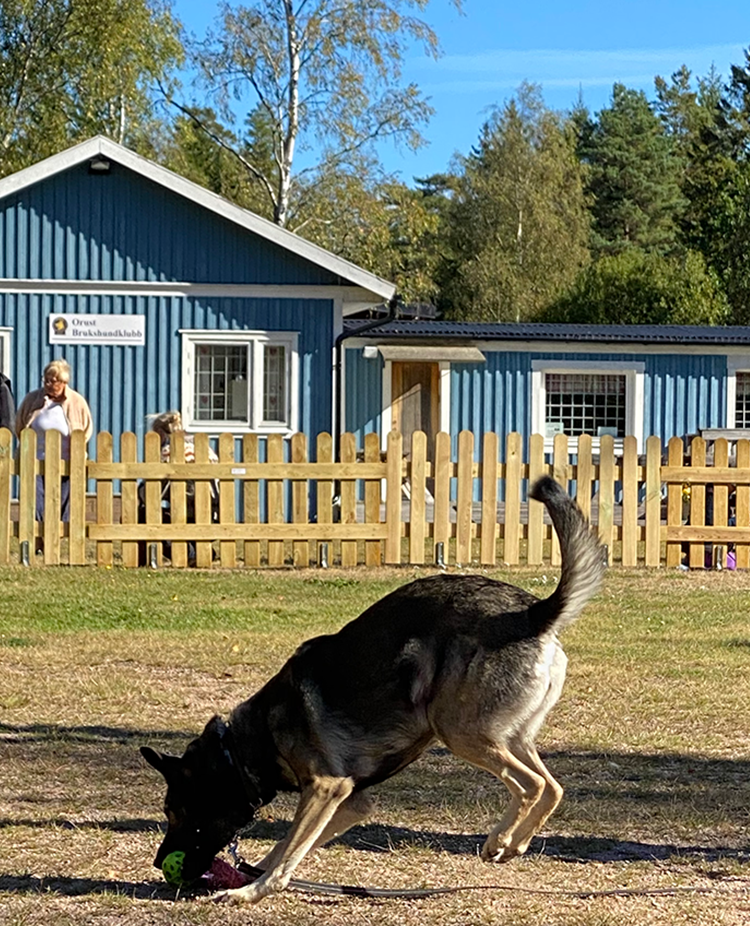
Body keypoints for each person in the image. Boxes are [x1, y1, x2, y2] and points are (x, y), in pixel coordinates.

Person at [15, 359, 93, 533]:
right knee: (35, 500)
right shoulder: (32, 399)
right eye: (46, 380)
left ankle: (58, 536)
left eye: (53, 381)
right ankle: (39, 536)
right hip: (34, 460)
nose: (48, 384)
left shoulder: (76, 402)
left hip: (67, 461)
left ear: (64, 382)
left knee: (64, 502)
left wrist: (78, 449)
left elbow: (86, 430)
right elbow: (20, 425)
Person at [137, 410, 219, 565]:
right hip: (213, 515)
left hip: (185, 514)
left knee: (144, 514)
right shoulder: (205, 449)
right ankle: (202, 550)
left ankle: (190, 553)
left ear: (160, 433)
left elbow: (154, 493)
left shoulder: (168, 452)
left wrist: (140, 491)